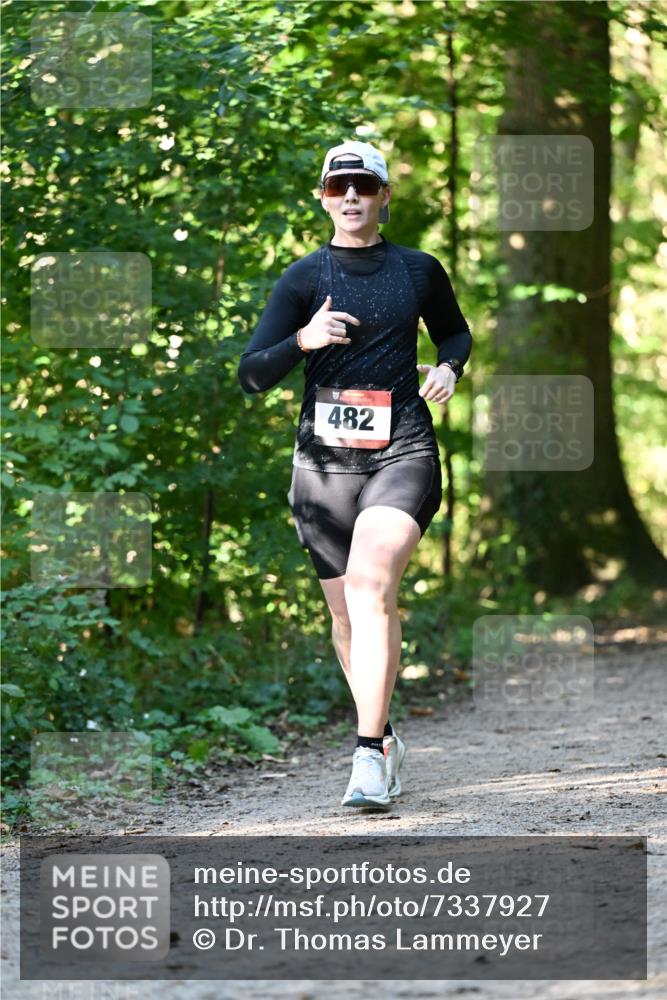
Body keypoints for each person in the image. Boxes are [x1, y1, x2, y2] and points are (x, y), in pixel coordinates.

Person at [238, 140, 471, 810]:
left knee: (372, 586)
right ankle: (387, 737)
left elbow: (454, 334)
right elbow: (253, 374)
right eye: (337, 186)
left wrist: (448, 368)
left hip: (401, 450)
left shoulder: (418, 270)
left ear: (383, 196)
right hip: (322, 467)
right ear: (321, 197)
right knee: (345, 616)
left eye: (362, 187)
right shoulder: (303, 279)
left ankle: (366, 754)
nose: (349, 197)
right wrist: (303, 341)